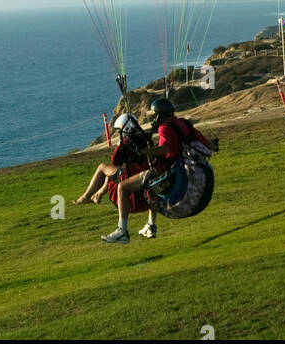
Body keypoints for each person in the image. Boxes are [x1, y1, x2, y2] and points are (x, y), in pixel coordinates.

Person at [101, 98, 217, 243]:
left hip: (167, 170)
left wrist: (143, 152)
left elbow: (165, 149)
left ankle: (122, 231)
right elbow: (205, 142)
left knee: (122, 187)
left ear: (159, 115)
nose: (153, 118)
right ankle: (150, 225)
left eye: (154, 115)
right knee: (153, 190)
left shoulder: (165, 128)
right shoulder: (183, 123)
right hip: (185, 168)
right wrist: (215, 146)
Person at [75, 114, 150, 211]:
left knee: (102, 167)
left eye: (120, 130)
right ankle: (97, 194)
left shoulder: (126, 143)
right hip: (142, 172)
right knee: (111, 171)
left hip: (130, 175)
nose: (119, 133)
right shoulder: (143, 138)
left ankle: (87, 196)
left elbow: (114, 161)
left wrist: (120, 146)